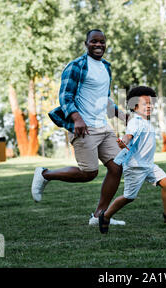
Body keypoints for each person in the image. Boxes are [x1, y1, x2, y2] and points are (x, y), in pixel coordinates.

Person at [31, 29, 127, 226]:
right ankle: (44, 174)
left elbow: (105, 99)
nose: (98, 45)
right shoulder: (76, 66)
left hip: (103, 126)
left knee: (117, 167)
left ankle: (99, 215)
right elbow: (65, 96)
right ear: (86, 44)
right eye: (94, 42)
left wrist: (122, 115)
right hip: (84, 127)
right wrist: (77, 118)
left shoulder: (106, 67)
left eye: (102, 42)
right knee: (89, 173)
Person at [98, 86, 166, 234]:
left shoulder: (146, 122)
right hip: (135, 166)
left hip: (148, 165)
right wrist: (124, 141)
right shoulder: (135, 122)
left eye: (151, 103)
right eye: (145, 103)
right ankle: (105, 216)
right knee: (128, 197)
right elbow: (129, 136)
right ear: (135, 106)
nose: (149, 106)